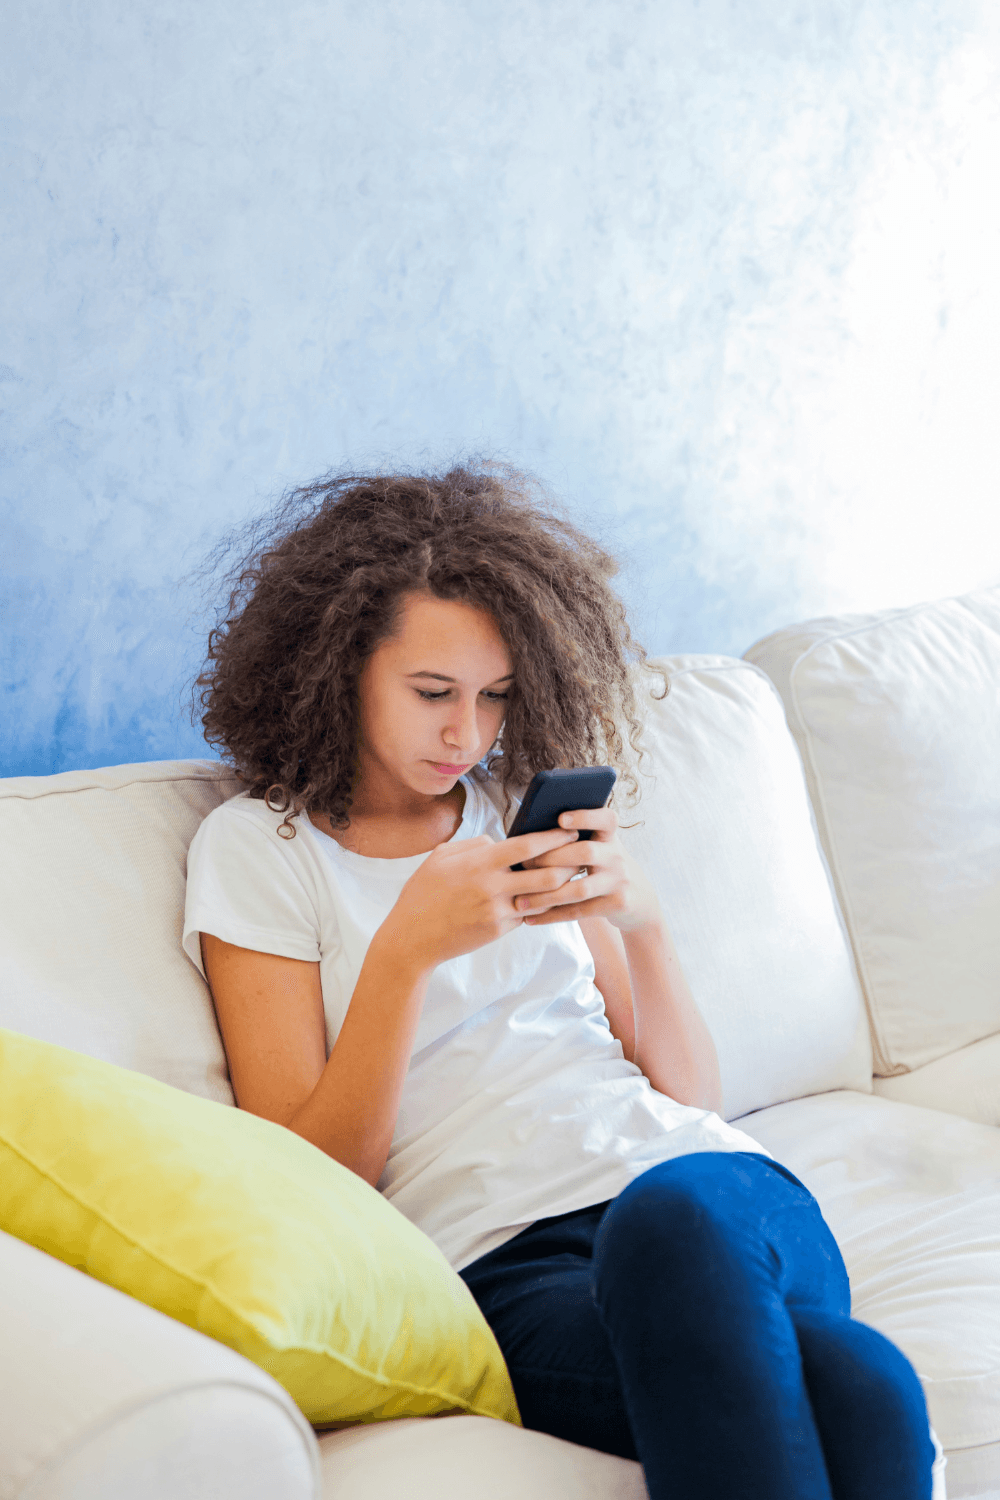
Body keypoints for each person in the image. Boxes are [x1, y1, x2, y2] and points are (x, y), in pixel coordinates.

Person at [182, 463, 936, 1499]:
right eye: (432, 693)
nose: (467, 734)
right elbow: (312, 1182)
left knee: (679, 1219)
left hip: (707, 1193)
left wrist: (645, 926)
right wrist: (404, 952)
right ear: (338, 667)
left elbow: (689, 1099)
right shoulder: (259, 851)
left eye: (494, 697)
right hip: (506, 1269)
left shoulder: (513, 814)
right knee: (861, 1384)